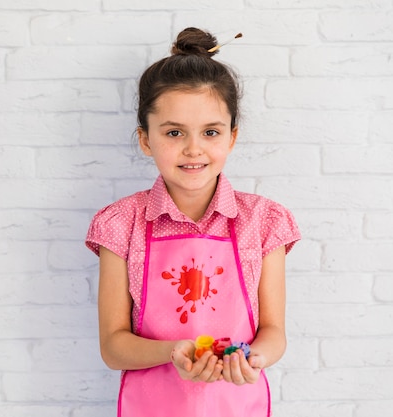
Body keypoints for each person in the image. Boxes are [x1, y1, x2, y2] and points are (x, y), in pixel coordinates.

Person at [85, 27, 300, 416]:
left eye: (211, 132)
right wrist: (172, 352)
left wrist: (250, 359)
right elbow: (113, 347)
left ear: (232, 137)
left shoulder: (264, 221)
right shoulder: (121, 223)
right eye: (173, 132)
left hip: (238, 403)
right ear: (146, 139)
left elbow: (274, 332)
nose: (193, 148)